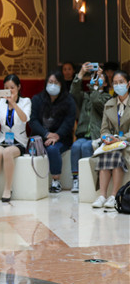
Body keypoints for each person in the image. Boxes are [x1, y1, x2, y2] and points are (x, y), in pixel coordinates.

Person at [0, 74, 31, 202]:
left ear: (18, 87)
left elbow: (25, 119)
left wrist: (13, 103)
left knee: (7, 153)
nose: (9, 90)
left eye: (12, 87)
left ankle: (7, 188)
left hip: (19, 140)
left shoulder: (26, 101)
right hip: (2, 139)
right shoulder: (0, 103)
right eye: (6, 88)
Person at [29, 71, 76, 193]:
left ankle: (56, 181)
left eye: (56, 82)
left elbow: (69, 122)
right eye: (50, 82)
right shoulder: (37, 99)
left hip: (62, 138)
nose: (53, 85)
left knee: (52, 149)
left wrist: (57, 135)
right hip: (40, 138)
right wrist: (47, 134)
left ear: (61, 84)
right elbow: (33, 121)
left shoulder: (69, 100)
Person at [69, 62, 111, 193]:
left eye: (100, 77)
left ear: (105, 84)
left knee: (86, 147)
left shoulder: (107, 98)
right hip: (83, 134)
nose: (96, 79)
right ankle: (76, 179)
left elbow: (96, 101)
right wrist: (81, 73)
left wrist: (95, 88)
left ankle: (88, 177)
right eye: (94, 77)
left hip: (96, 135)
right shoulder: (85, 96)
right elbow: (73, 92)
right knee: (76, 146)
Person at [91, 70, 130, 208]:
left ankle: (114, 196)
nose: (118, 85)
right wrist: (107, 138)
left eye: (121, 82)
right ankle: (102, 196)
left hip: (127, 143)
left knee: (117, 155)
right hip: (112, 143)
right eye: (115, 83)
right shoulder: (109, 104)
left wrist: (119, 139)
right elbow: (104, 129)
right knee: (105, 154)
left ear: (128, 84)